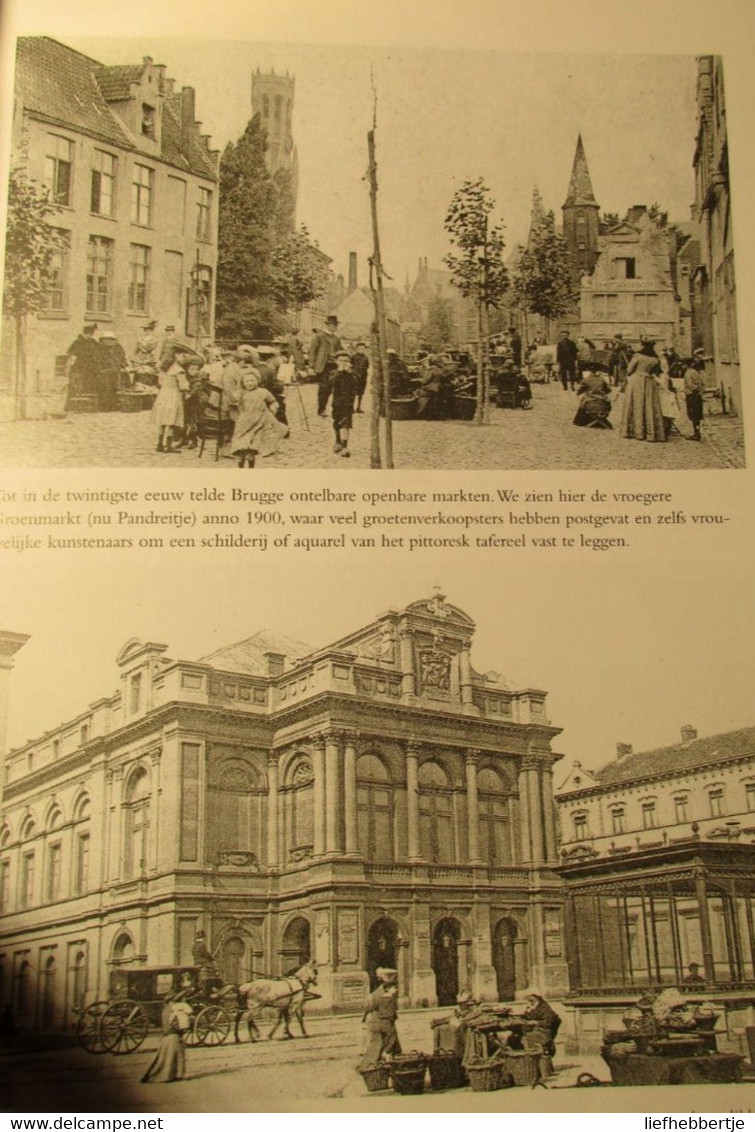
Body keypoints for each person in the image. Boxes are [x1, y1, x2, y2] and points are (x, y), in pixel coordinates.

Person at [229, 366, 287, 468]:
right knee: (241, 446)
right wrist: (234, 397)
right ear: (243, 382)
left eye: (252, 380)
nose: (250, 383)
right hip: (243, 423)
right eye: (247, 381)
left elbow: (272, 401)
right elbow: (232, 401)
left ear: (257, 380)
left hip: (258, 422)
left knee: (253, 447)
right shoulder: (240, 392)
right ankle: (240, 467)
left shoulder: (262, 392)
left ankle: (251, 466)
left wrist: (274, 407)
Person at [619, 339, 666, 442]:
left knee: (636, 404)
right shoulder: (655, 359)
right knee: (649, 405)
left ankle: (636, 432)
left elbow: (629, 369)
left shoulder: (637, 356)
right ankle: (650, 433)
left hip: (637, 381)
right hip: (649, 382)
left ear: (643, 346)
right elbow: (657, 372)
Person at [140, 995, 190, 1084]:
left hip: (166, 1036)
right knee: (176, 1055)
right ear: (171, 1002)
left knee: (163, 1057)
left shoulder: (165, 1011)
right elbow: (178, 1025)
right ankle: (175, 1075)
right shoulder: (175, 1011)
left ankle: (166, 1075)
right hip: (173, 1036)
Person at [359, 967, 401, 1070]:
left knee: (386, 1044)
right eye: (393, 979)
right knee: (381, 1044)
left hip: (379, 1021)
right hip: (380, 1021)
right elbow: (388, 1013)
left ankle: (387, 1065)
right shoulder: (385, 995)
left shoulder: (380, 992)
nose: (396, 988)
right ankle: (370, 1068)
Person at [153, 345, 192, 452]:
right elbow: (183, 385)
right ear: (176, 355)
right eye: (182, 355)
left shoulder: (164, 368)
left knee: (163, 419)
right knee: (171, 419)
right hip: (173, 395)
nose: (184, 358)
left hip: (163, 394)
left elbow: (160, 382)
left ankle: (160, 444)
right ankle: (169, 446)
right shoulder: (178, 370)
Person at [309, 315, 342, 416]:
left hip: (333, 366)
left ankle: (333, 409)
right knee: (323, 388)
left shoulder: (336, 339)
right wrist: (311, 366)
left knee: (333, 388)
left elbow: (340, 351)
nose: (335, 327)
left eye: (336, 325)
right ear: (328, 325)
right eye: (333, 325)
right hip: (323, 366)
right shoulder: (319, 337)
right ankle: (321, 409)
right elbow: (312, 351)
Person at [64, 324, 100, 409]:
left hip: (91, 368)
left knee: (90, 385)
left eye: (91, 334)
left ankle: (88, 406)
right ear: (84, 333)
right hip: (79, 368)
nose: (90, 336)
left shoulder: (93, 341)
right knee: (78, 385)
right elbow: (70, 352)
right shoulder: (78, 342)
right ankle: (73, 406)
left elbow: (99, 349)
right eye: (88, 334)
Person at [331, 350, 355, 457]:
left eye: (346, 360)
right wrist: (340, 372)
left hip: (348, 403)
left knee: (346, 423)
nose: (344, 363)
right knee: (337, 423)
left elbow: (357, 384)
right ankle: (338, 441)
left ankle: (345, 446)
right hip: (337, 402)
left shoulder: (352, 373)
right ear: (336, 361)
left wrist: (349, 373)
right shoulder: (334, 372)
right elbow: (331, 383)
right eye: (341, 361)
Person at [97, 331, 127, 411]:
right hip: (105, 371)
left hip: (114, 371)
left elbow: (122, 357)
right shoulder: (100, 348)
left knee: (114, 388)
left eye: (110, 339)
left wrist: (122, 365)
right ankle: (106, 406)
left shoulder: (118, 347)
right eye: (106, 339)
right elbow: (98, 359)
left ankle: (112, 405)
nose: (108, 341)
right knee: (106, 388)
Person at [683, 351, 706, 441]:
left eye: (684, 364)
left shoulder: (688, 373)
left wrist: (691, 392)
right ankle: (697, 432)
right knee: (697, 415)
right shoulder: (695, 372)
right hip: (697, 396)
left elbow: (691, 386)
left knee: (693, 415)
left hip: (692, 396)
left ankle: (696, 434)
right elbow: (701, 384)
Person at [132, 320, 159, 386]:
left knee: (149, 372)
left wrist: (144, 346)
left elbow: (151, 348)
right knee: (138, 372)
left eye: (149, 331)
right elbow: (137, 349)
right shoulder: (140, 339)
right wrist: (134, 355)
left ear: (152, 331)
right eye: (146, 330)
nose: (147, 332)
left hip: (149, 357)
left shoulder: (153, 340)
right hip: (140, 357)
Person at [351, 342, 369, 412]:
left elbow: (366, 367)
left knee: (361, 393)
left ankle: (358, 407)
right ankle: (351, 407)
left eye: (363, 348)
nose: (361, 349)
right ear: (357, 349)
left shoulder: (365, 358)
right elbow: (350, 366)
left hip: (363, 377)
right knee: (353, 392)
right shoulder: (353, 356)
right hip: (354, 377)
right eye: (359, 348)